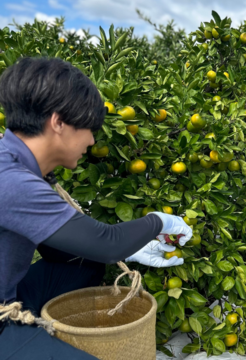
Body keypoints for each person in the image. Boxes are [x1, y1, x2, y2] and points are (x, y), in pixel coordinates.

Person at [0, 57, 192, 359]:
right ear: (58, 122)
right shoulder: (10, 179)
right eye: (89, 128)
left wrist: (127, 250)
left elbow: (56, 247)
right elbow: (106, 244)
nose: (91, 140)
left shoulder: (15, 163)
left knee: (85, 264)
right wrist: (157, 222)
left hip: (9, 292)